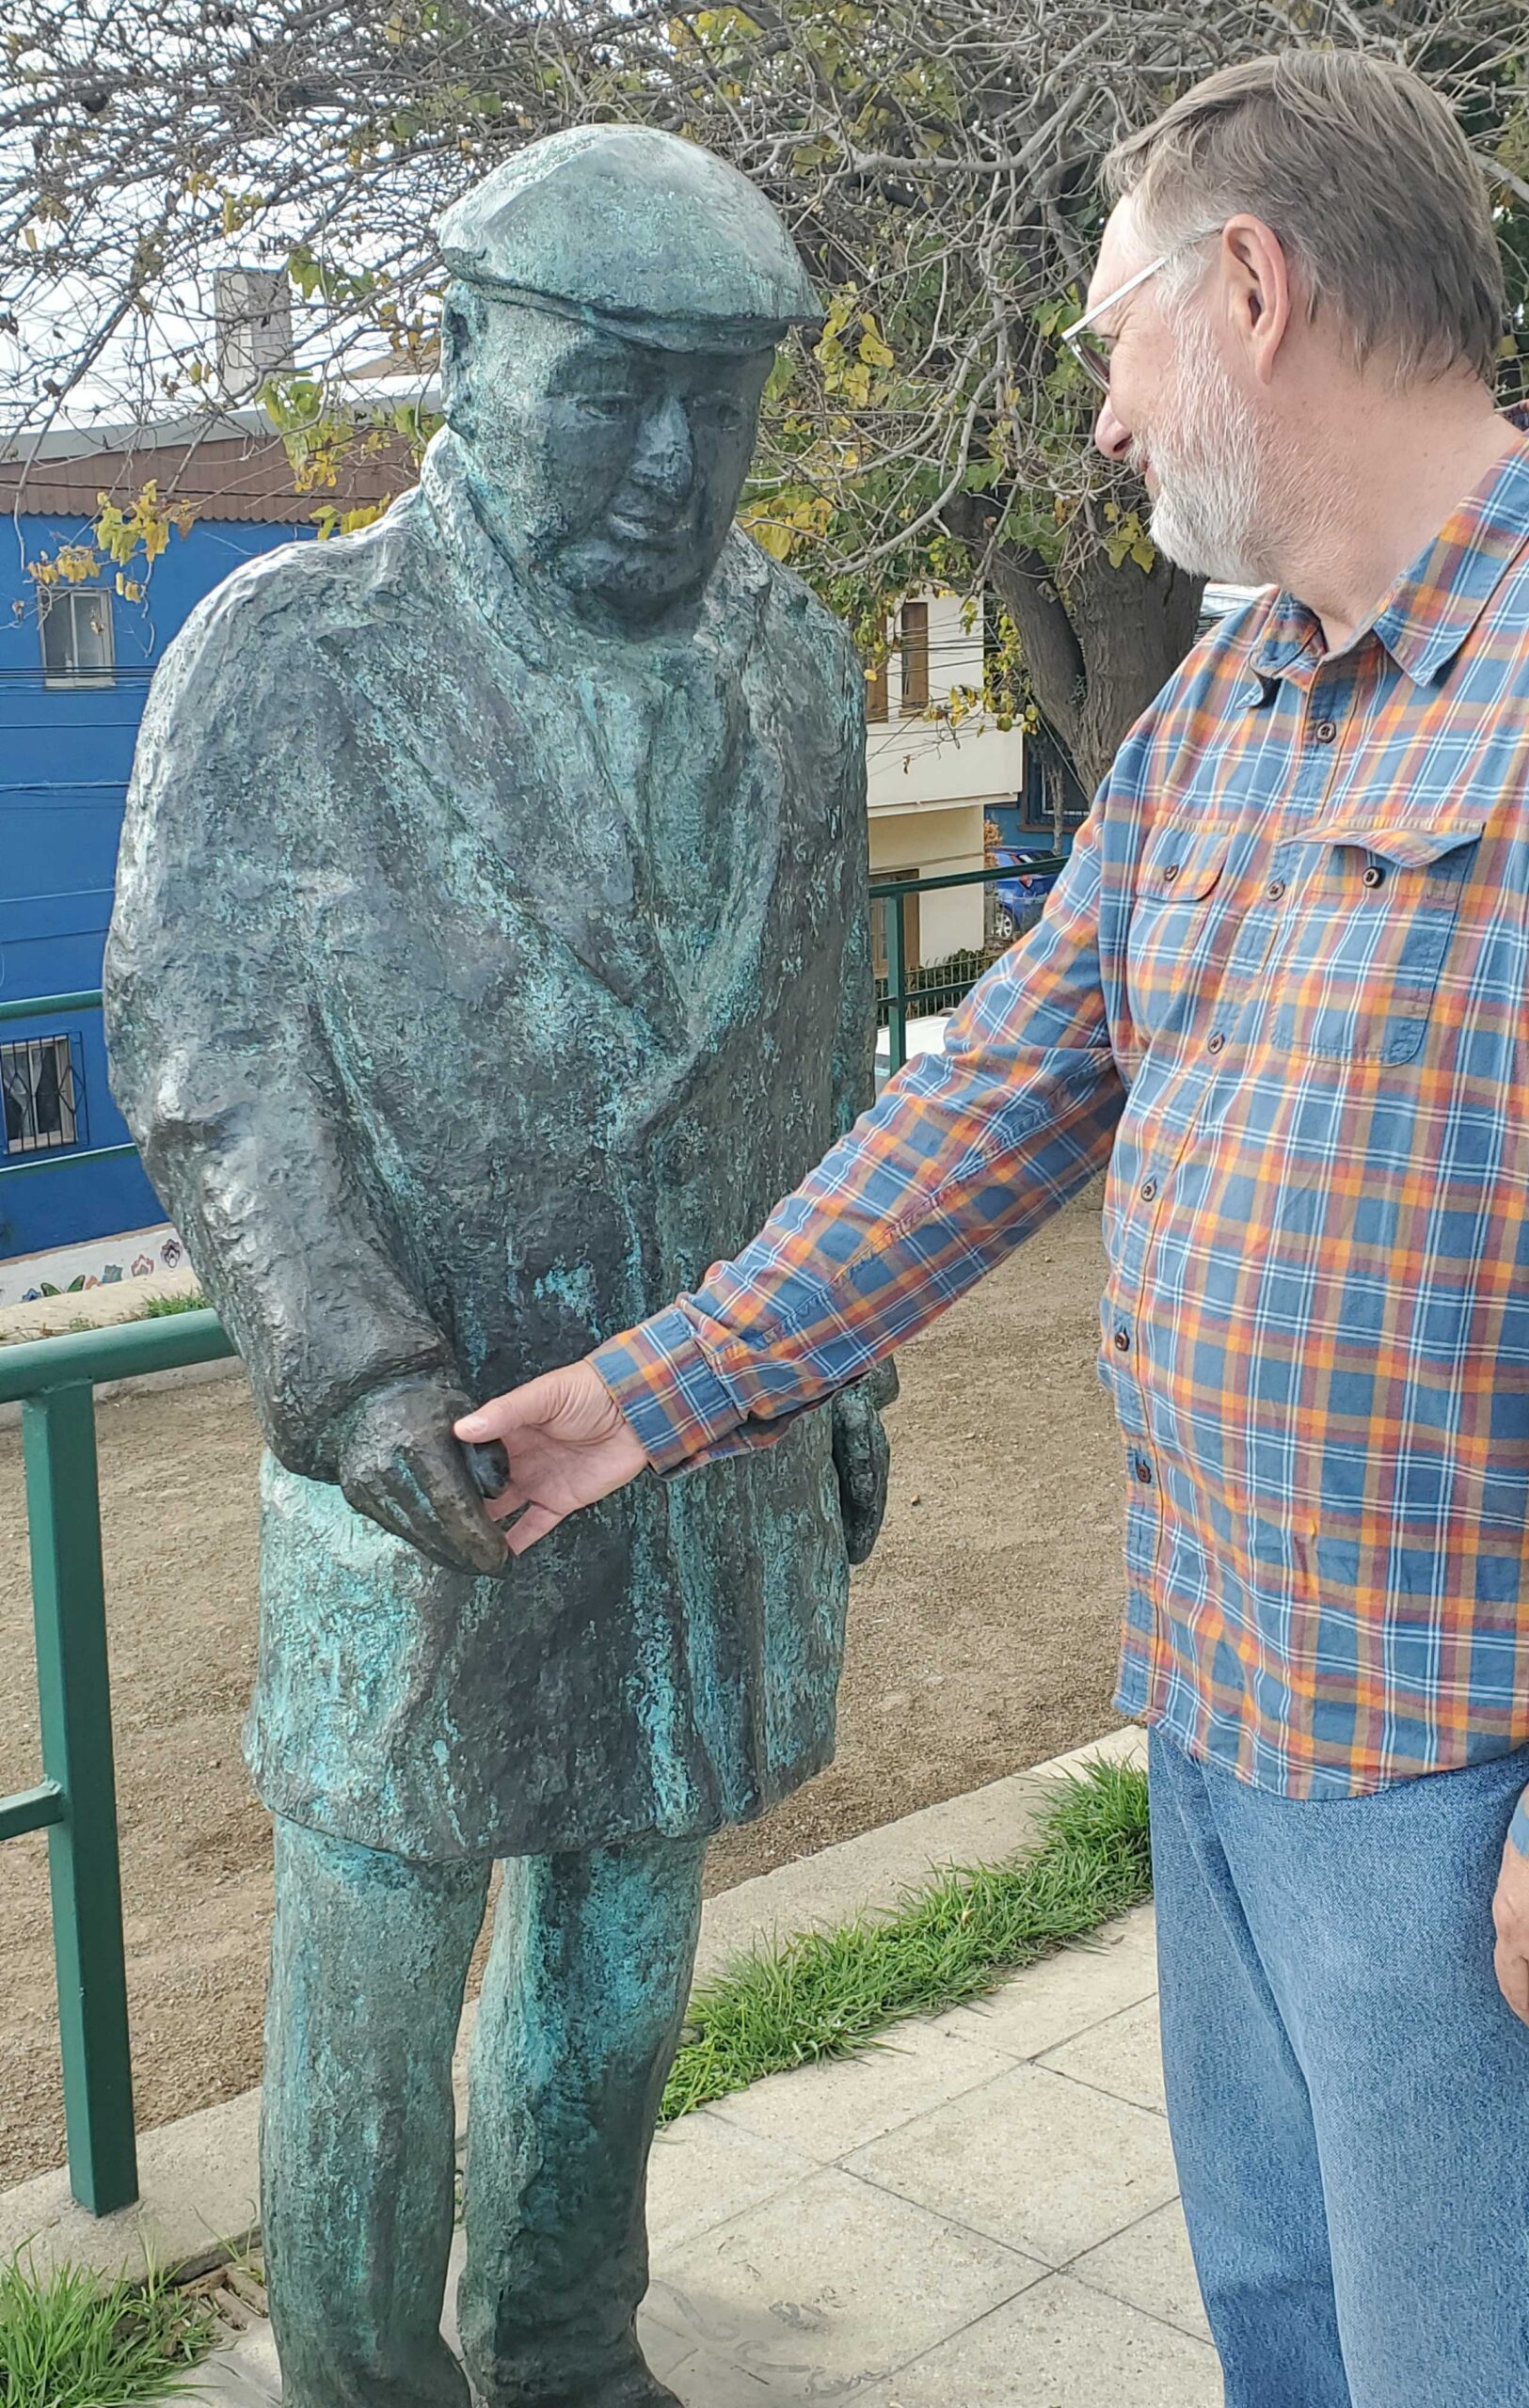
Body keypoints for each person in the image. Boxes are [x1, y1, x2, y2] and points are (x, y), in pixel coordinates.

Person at [456, 52, 1529, 2408]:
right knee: (1287, 2335)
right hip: (1216, 1720)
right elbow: (986, 1104)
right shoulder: (1229, 705)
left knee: (1474, 2367)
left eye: (1114, 336)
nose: (1099, 419)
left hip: (1471, 1779)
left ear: (1255, 289)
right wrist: (640, 1396)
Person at [106, 125, 893, 2408]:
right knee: (376, 1960)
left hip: (696, 1456)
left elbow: (812, 1049)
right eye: (611, 389)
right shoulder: (291, 654)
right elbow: (207, 1051)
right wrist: (349, 1380)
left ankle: (567, 2347)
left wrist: (838, 1373)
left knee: (628, 1951)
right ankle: (363, 2381)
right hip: (419, 1462)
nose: (671, 461)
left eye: (719, 404)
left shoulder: (796, 670)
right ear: (462, 354)